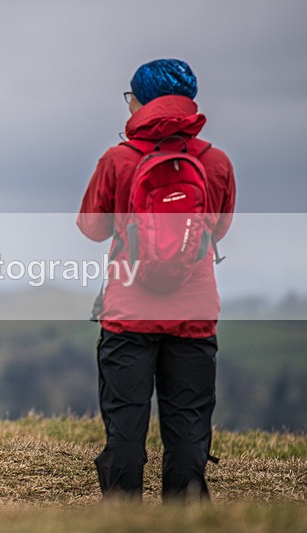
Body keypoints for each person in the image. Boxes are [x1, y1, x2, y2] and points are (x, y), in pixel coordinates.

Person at [77, 59, 236, 501]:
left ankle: (124, 514)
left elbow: (91, 228)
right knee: (188, 424)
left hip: (129, 313)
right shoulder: (216, 162)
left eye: (130, 98)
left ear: (142, 102)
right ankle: (185, 512)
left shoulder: (118, 159)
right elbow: (217, 230)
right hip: (195, 313)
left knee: (125, 425)